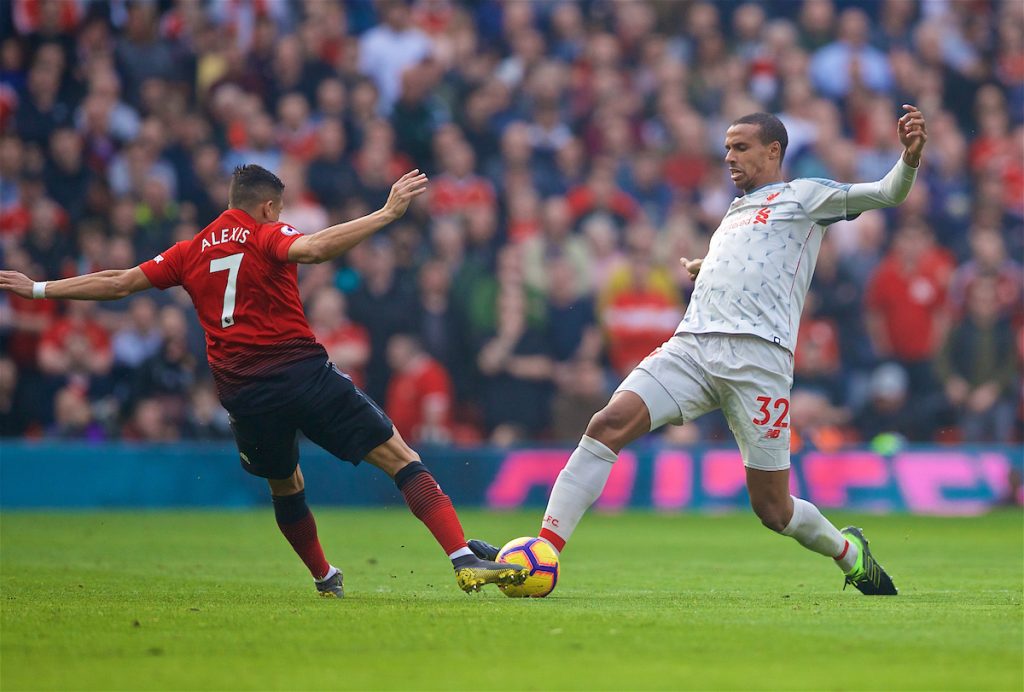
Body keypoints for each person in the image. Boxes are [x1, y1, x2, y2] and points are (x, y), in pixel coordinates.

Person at [0, 165, 525, 598]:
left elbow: (119, 282)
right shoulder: (266, 234)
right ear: (270, 207)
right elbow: (315, 250)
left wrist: (39, 288)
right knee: (399, 457)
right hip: (300, 373)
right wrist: (386, 213)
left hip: (243, 394)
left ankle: (324, 577)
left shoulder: (190, 249)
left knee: (285, 484)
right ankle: (462, 558)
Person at [472, 106, 929, 596]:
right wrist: (705, 267)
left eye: (740, 147)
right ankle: (542, 552)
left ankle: (849, 552)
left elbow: (887, 192)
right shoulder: (733, 212)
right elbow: (746, 261)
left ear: (774, 151)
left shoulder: (806, 196)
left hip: (760, 364)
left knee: (773, 510)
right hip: (693, 347)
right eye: (726, 148)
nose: (728, 157)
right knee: (606, 425)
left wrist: (909, 158)